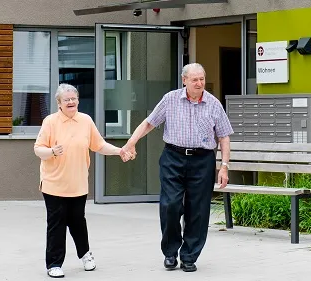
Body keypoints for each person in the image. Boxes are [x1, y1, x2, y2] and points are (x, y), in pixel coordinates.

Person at [121, 63, 233, 272]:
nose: (200, 83)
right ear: (184, 81)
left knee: (198, 210)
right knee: (170, 205)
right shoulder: (170, 99)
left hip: (202, 160)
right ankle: (170, 252)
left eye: (202, 79)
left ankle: (189, 255)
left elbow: (224, 137)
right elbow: (149, 122)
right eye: (195, 80)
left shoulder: (213, 104)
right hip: (173, 157)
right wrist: (131, 142)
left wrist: (224, 166)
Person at [34, 83, 132, 278]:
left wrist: (119, 151)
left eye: (73, 99)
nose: (71, 102)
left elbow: (99, 145)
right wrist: (52, 151)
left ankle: (85, 255)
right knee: (57, 223)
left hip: (78, 184)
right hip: (54, 184)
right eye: (66, 100)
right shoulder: (50, 122)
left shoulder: (86, 121)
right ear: (59, 103)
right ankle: (54, 264)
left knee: (78, 221)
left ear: (78, 100)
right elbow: (38, 149)